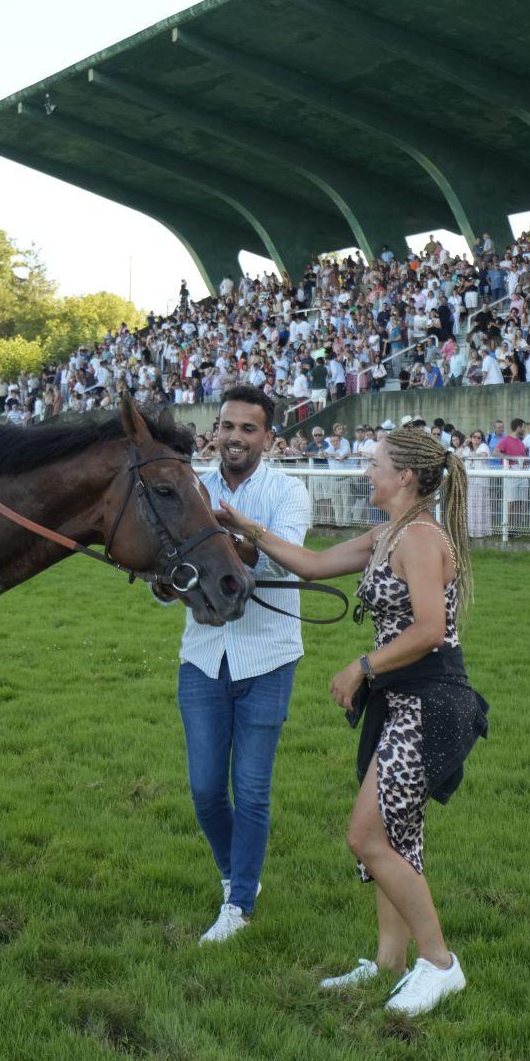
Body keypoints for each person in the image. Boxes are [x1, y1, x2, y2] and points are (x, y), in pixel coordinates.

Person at [216, 427, 487, 1015]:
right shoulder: (387, 533)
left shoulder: (418, 538)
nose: (367, 472)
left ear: (405, 476)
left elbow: (429, 631)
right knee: (393, 836)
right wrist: (247, 530)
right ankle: (389, 962)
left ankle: (440, 965)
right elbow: (312, 566)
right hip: (399, 700)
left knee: (367, 837)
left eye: (374, 464)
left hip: (430, 701)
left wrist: (361, 666)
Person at [156, 385, 312, 945]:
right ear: (213, 432)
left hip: (268, 657)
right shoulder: (189, 487)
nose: (236, 438)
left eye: (249, 429)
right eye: (227, 426)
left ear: (268, 438)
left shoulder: (289, 491)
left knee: (251, 790)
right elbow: (169, 570)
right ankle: (234, 877)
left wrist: (229, 532)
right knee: (203, 790)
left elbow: (287, 559)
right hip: (201, 657)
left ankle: (240, 902)